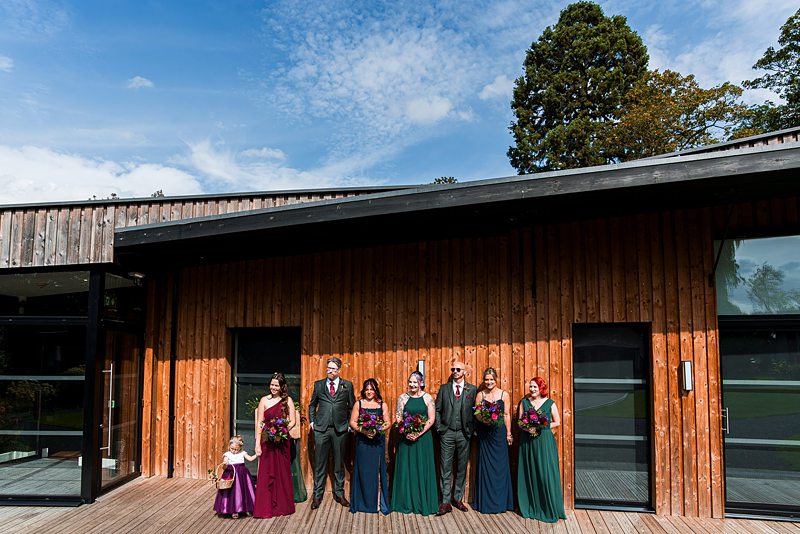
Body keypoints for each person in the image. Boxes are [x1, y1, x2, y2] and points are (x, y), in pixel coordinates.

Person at [308, 356, 356, 509]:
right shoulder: (319, 385)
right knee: (320, 464)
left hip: (340, 430)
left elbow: (352, 407)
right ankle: (317, 496)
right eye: (328, 368)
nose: (330, 371)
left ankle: (340, 494)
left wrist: (349, 425)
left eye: (333, 368)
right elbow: (312, 405)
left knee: (339, 464)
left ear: (339, 370)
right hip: (321, 429)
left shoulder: (347, 385)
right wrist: (312, 422)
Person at [517, 376, 566, 522]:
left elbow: (557, 421)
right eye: (530, 386)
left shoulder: (550, 403)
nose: (531, 389)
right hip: (527, 441)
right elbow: (520, 421)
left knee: (545, 474)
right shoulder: (524, 403)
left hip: (544, 441)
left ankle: (548, 507)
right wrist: (527, 428)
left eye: (534, 387)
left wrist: (541, 426)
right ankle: (530, 506)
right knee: (529, 472)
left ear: (541, 388)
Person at [391, 371, 438, 516]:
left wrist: (418, 433)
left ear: (421, 383)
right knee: (407, 468)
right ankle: (405, 501)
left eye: (415, 382)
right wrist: (406, 432)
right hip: (406, 439)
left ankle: (422, 502)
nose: (412, 384)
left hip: (423, 439)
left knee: (422, 467)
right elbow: (399, 416)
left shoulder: (428, 398)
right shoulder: (402, 398)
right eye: (410, 382)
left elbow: (431, 419)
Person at [434, 361, 477, 515]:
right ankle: (445, 502)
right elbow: (437, 409)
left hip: (464, 434)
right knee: (445, 467)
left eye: (458, 369)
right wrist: (440, 428)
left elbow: (475, 411)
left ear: (464, 371)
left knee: (461, 467)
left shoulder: (472, 389)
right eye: (453, 369)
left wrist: (472, 430)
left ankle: (457, 498)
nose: (455, 371)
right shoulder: (444, 389)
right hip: (447, 433)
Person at [253, 372, 297, 518]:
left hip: (282, 442)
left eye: (276, 385)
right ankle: (265, 507)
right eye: (271, 384)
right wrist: (257, 444)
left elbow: (292, 421)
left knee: (282, 473)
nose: (273, 387)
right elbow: (260, 423)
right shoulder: (263, 400)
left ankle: (282, 506)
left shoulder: (288, 400)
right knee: (266, 473)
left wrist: (281, 432)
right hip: (267, 441)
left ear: (281, 387)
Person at [472, 367, 514, 514]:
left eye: (491, 379)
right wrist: (484, 419)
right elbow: (476, 414)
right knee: (486, 467)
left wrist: (508, 433)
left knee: (500, 467)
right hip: (485, 433)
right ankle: (485, 503)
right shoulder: (480, 395)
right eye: (486, 379)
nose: (489, 382)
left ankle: (501, 502)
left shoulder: (504, 394)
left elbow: (507, 414)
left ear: (496, 380)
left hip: (499, 433)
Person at [348, 378, 391, 514]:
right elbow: (353, 422)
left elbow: (388, 422)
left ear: (375, 390)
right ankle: (362, 503)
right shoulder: (359, 404)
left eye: (371, 389)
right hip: (363, 443)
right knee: (364, 471)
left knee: (376, 471)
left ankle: (377, 503)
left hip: (377, 443)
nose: (369, 392)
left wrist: (377, 430)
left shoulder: (382, 405)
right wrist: (364, 431)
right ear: (363, 390)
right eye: (367, 389)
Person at [213, 435, 257, 518]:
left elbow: (250, 459)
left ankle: (246, 508)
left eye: (236, 449)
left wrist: (257, 455)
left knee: (243, 491)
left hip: (242, 475)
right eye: (232, 449)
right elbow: (224, 464)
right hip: (230, 473)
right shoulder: (227, 454)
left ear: (240, 448)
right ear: (229, 446)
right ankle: (234, 510)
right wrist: (225, 464)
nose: (234, 451)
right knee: (231, 492)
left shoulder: (243, 453)